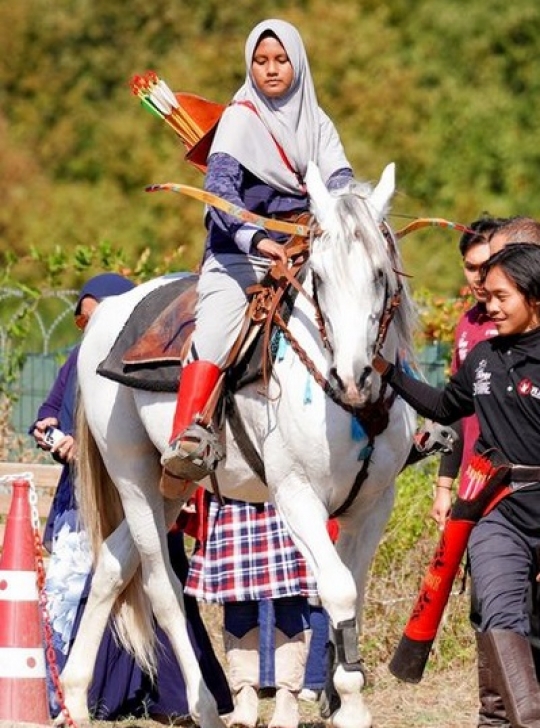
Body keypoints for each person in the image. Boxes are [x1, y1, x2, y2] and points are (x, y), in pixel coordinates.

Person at [31, 273, 232, 720]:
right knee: (86, 591)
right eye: (84, 325)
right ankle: (99, 694)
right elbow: (47, 413)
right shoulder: (76, 360)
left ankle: (176, 699)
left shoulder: (154, 360)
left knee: (163, 583)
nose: (89, 331)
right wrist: (53, 435)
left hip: (149, 488)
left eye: (94, 319)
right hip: (83, 493)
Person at [161, 18, 353, 481]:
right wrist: (259, 240)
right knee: (215, 332)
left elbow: (340, 180)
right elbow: (220, 194)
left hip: (305, 250)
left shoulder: (317, 120)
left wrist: (349, 216)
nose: (271, 69)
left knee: (360, 304)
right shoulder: (239, 119)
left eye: (281, 60)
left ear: (298, 64)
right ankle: (190, 433)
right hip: (239, 255)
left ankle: (391, 427)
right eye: (261, 61)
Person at [374, 243, 540, 726]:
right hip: (496, 510)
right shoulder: (484, 357)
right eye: (487, 296)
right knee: (500, 614)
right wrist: (388, 372)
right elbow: (446, 406)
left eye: (502, 296)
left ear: (534, 297)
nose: (489, 305)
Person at [428, 216, 507, 726]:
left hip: (520, 476)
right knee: (487, 602)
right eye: (470, 268)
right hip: (477, 484)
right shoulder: (466, 326)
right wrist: (443, 482)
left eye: (486, 267)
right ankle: (493, 712)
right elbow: (454, 409)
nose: (478, 279)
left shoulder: (517, 316)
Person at [185, 494, 331, 728]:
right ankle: (245, 698)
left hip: (285, 496)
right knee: (238, 599)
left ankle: (287, 701)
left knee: (290, 598)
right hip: (230, 497)